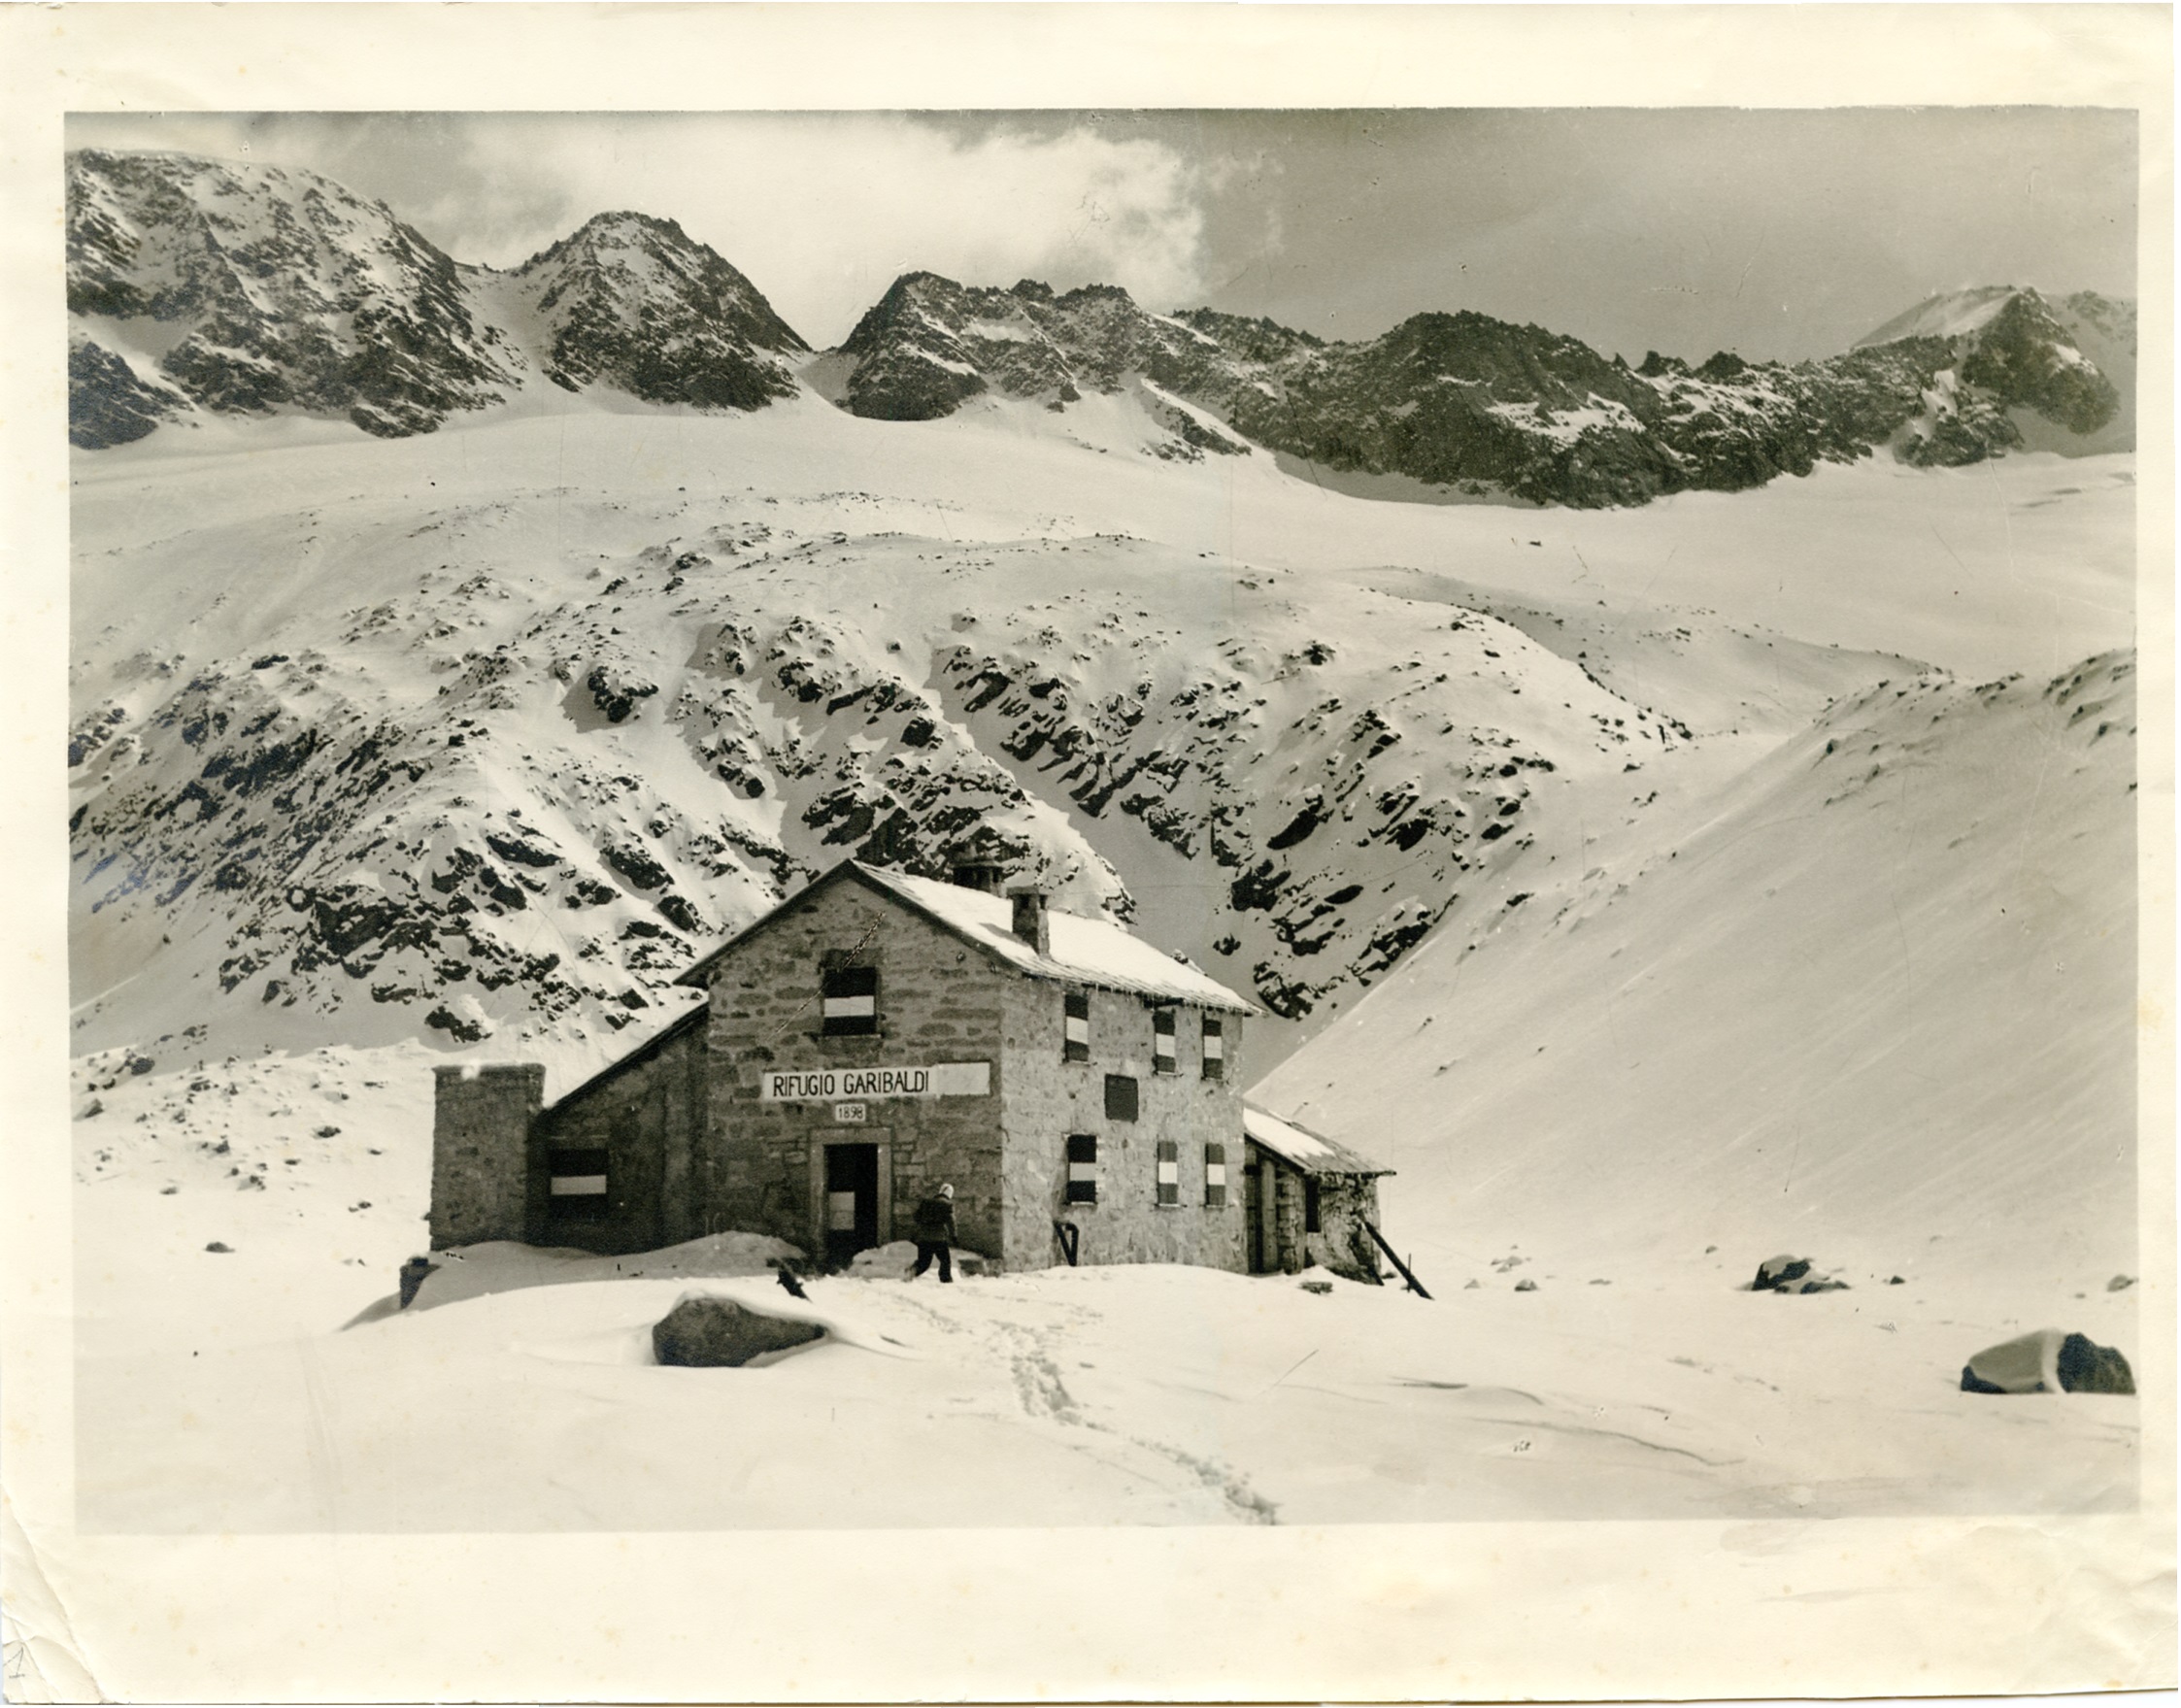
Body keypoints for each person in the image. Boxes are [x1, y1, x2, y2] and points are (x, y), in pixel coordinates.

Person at [910, 1183, 956, 1283]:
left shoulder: (926, 1203)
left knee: (924, 1262)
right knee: (945, 1261)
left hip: (924, 1238)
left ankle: (909, 1273)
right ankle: (946, 1280)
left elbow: (916, 1217)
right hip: (939, 1238)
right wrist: (954, 1236)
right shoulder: (947, 1205)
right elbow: (951, 1222)